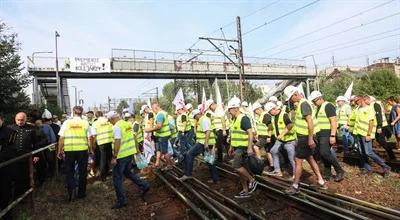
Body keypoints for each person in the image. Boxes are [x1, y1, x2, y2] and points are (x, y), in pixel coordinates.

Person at [283, 86, 326, 195]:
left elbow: (310, 122)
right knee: (310, 158)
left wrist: (310, 139)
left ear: (295, 94)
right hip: (304, 137)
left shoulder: (303, 104)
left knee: (298, 161)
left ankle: (295, 185)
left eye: (290, 98)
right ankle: (321, 181)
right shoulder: (301, 104)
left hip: (305, 137)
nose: (291, 101)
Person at [106, 111, 150, 209]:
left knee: (117, 178)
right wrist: (136, 150)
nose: (110, 122)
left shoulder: (116, 127)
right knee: (128, 173)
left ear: (112, 118)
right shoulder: (127, 124)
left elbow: (117, 140)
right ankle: (144, 185)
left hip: (121, 156)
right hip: (129, 153)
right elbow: (133, 137)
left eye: (109, 120)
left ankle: (122, 201)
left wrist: (114, 156)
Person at [57, 106, 92, 201]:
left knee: (70, 171)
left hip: (69, 151)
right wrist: (91, 149)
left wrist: (59, 151)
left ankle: (71, 192)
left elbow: (61, 138)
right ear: (82, 112)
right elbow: (89, 138)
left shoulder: (66, 123)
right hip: (82, 150)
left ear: (73, 112)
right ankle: (81, 193)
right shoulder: (85, 123)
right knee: (82, 172)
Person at [309, 91, 345, 182]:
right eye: (313, 101)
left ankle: (340, 171)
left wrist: (332, 135)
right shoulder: (318, 108)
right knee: (323, 154)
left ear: (320, 98)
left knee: (324, 153)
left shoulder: (328, 106)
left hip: (327, 133)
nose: (314, 103)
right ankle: (327, 173)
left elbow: (333, 121)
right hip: (320, 134)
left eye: (315, 101)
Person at [227, 96, 258, 199]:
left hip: (243, 147)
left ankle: (252, 180)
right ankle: (245, 190)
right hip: (236, 147)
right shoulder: (234, 119)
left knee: (236, 166)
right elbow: (233, 134)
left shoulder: (243, 118)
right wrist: (231, 146)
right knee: (240, 170)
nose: (229, 112)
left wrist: (249, 147)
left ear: (235, 108)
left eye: (230, 110)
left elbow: (250, 133)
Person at [354, 96, 390, 177]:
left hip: (366, 134)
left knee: (368, 152)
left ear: (362, 99)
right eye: (355, 101)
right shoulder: (358, 109)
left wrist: (369, 134)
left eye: (357, 100)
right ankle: (368, 169)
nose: (356, 102)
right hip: (358, 133)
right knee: (362, 152)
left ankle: (385, 167)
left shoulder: (369, 108)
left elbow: (371, 122)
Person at [180, 109, 219, 183]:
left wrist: (206, 143)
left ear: (197, 114)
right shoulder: (203, 119)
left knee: (189, 154)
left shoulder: (203, 120)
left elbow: (208, 131)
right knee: (209, 161)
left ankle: (188, 174)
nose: (195, 118)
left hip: (203, 143)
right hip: (205, 142)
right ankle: (215, 179)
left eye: (195, 117)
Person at [8, 112, 40, 197]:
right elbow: (9, 143)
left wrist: (36, 155)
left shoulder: (31, 128)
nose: (20, 121)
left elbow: (35, 142)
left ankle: (24, 194)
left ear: (25, 119)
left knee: (25, 176)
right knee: (15, 176)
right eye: (18, 120)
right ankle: (16, 195)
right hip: (14, 157)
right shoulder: (11, 128)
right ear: (15, 119)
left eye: (22, 120)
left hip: (26, 157)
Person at [264, 102, 296, 178]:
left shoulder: (284, 114)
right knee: (273, 151)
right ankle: (277, 171)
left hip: (289, 140)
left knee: (291, 157)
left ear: (273, 109)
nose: (270, 113)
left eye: (270, 111)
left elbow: (290, 125)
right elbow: (272, 127)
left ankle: (296, 174)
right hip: (280, 140)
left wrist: (281, 135)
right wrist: (269, 136)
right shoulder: (273, 117)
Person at [146, 102, 173, 169]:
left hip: (163, 135)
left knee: (165, 152)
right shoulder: (163, 113)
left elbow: (159, 126)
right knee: (163, 151)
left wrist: (149, 130)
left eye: (153, 109)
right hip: (163, 135)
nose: (153, 111)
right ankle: (168, 164)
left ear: (156, 108)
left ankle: (169, 165)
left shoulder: (160, 115)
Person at [0, 114, 17, 220]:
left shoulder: (12, 132)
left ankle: (6, 214)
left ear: (2, 120)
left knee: (5, 191)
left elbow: (11, 150)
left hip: (4, 168)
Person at [92, 111, 114, 181]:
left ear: (96, 116)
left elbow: (94, 135)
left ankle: (103, 176)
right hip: (109, 141)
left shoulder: (95, 123)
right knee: (109, 157)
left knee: (103, 159)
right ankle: (109, 172)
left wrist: (94, 144)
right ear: (102, 115)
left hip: (101, 143)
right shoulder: (108, 121)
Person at [253, 102, 274, 171]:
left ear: (258, 109)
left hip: (265, 136)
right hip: (263, 136)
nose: (255, 113)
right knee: (268, 151)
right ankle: (272, 166)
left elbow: (270, 126)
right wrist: (257, 135)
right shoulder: (261, 115)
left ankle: (260, 163)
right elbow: (261, 127)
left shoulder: (265, 115)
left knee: (256, 147)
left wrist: (269, 136)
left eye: (255, 111)